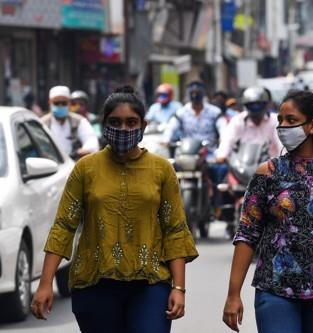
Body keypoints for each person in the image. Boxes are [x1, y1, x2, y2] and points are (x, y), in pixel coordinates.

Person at [31, 86, 198, 332]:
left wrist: (179, 288)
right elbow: (64, 226)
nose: (123, 129)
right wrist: (45, 283)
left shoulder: (162, 170)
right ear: (105, 125)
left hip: (150, 282)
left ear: (143, 125)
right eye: (115, 122)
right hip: (94, 284)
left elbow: (174, 230)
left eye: (131, 122)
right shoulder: (86, 168)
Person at [222, 90, 313, 333]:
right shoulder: (267, 173)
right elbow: (247, 235)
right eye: (280, 120)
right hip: (276, 288)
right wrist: (233, 294)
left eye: (291, 120)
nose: (282, 127)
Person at [215, 86, 283, 164]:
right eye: (252, 105)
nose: (255, 108)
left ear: (266, 104)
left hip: (271, 167)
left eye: (259, 104)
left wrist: (285, 159)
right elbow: (228, 140)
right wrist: (221, 155)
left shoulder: (275, 120)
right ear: (246, 105)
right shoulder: (238, 120)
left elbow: (281, 143)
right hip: (242, 167)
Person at [42, 86, 99, 160]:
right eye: (56, 103)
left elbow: (91, 140)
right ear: (50, 103)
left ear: (69, 103)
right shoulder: (42, 123)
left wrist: (84, 150)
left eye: (64, 103)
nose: (60, 106)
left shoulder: (79, 121)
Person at [163, 81, 223, 147]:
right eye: (193, 93)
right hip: (187, 151)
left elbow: (222, 127)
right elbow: (171, 127)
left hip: (209, 151)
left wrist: (223, 139)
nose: (195, 96)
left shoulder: (214, 112)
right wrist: (166, 139)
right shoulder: (182, 112)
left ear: (203, 94)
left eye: (198, 93)